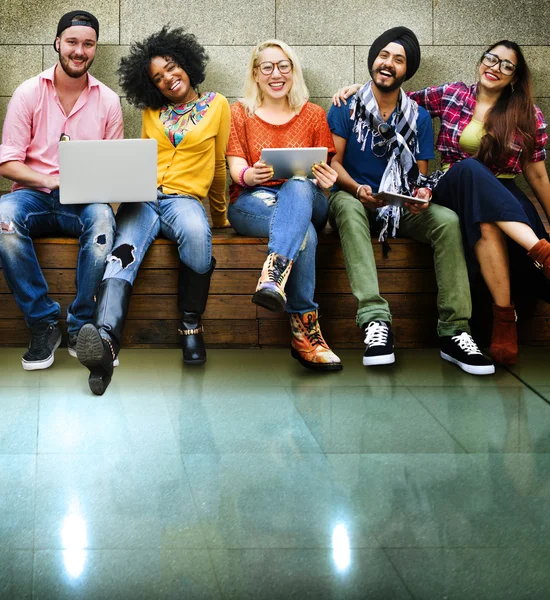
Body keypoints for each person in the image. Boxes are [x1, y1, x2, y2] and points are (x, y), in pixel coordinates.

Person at [334, 40, 550, 365]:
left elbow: (538, 176)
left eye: (506, 65)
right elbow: (397, 96)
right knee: (470, 168)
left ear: (516, 77)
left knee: (473, 219)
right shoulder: (452, 94)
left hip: (499, 197)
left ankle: (488, 323)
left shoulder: (526, 114)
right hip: (451, 182)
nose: (495, 67)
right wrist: (359, 88)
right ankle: (541, 253)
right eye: (491, 59)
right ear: (480, 62)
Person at [327, 26, 494, 375]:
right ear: (373, 59)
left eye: (398, 60)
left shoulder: (417, 116)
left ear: (407, 70)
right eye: (384, 55)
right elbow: (333, 163)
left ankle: (454, 330)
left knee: (446, 220)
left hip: (397, 208)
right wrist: (358, 188)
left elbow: (418, 176)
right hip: (356, 200)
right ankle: (375, 322)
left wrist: (420, 195)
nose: (388, 64)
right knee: (343, 203)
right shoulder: (347, 106)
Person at [76, 26, 230, 395]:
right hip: (144, 198)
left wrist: (221, 215)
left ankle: (191, 325)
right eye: (158, 78)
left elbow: (220, 164)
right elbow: (140, 160)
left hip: (184, 200)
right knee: (121, 253)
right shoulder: (152, 112)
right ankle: (105, 342)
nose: (168, 79)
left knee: (196, 234)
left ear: (187, 64)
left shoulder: (217, 105)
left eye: (172, 67)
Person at [0, 10, 121, 371]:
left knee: (102, 219)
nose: (79, 50)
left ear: (95, 48)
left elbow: (114, 169)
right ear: (57, 43)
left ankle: (82, 323)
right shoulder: (28, 92)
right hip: (34, 195)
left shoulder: (108, 100)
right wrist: (50, 180)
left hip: (83, 201)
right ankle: (44, 323)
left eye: (88, 43)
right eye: (72, 42)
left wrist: (105, 198)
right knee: (2, 217)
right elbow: (7, 163)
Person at [226, 39, 342, 372]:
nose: (276, 74)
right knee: (301, 232)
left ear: (293, 71)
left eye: (284, 66)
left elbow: (327, 168)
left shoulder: (313, 114)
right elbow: (236, 171)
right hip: (254, 201)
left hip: (309, 199)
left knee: (298, 183)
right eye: (268, 67)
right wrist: (251, 174)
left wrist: (326, 179)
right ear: (256, 73)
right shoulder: (240, 114)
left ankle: (273, 275)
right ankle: (306, 334)